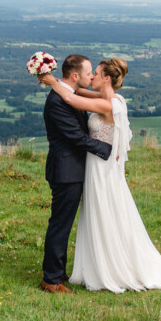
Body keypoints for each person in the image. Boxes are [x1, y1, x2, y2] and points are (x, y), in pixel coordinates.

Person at [40, 58, 161, 293]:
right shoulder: (109, 99)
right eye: (89, 72)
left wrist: (52, 81)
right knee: (72, 220)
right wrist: (57, 82)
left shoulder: (109, 104)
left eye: (95, 73)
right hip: (87, 168)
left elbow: (73, 98)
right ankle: (60, 274)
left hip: (100, 167)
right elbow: (76, 93)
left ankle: (92, 268)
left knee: (101, 215)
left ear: (106, 78)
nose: (92, 76)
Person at [40, 54, 112, 293]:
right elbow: (77, 137)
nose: (91, 77)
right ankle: (51, 280)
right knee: (60, 225)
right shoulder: (57, 102)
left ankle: (58, 272)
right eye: (88, 73)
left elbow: (84, 99)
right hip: (66, 172)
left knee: (64, 223)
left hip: (73, 170)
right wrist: (107, 149)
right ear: (74, 76)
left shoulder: (69, 93)